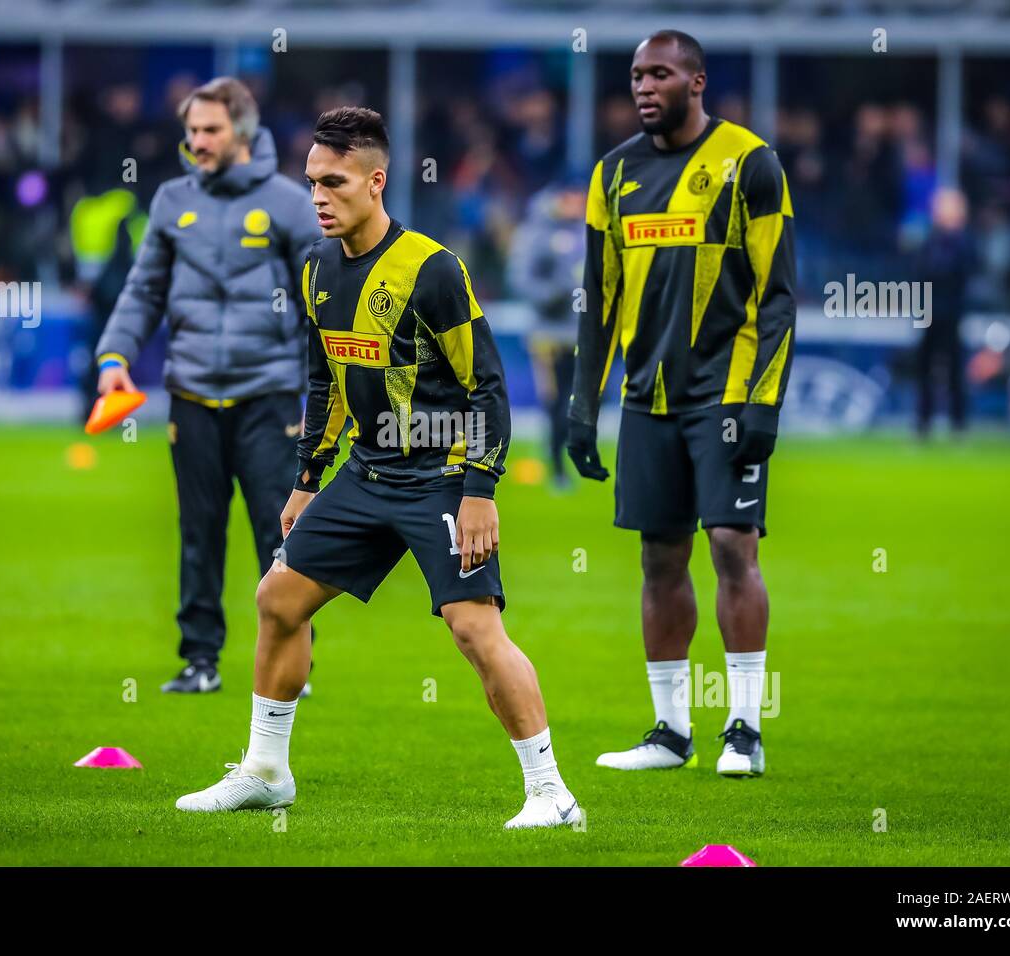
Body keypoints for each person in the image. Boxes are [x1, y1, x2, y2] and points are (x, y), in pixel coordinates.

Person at [174, 107, 583, 829]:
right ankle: (267, 771)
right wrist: (307, 481)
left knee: (474, 631)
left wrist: (481, 492)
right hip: (365, 477)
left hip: (442, 481)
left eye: (334, 183)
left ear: (376, 181)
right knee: (278, 600)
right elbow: (325, 383)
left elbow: (487, 385)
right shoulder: (315, 270)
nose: (319, 198)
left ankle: (551, 793)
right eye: (310, 183)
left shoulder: (433, 269)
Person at [566, 31, 796, 777]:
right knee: (659, 555)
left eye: (659, 73)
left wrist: (764, 402)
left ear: (697, 81)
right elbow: (598, 301)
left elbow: (779, 295)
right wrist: (581, 406)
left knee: (732, 544)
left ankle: (745, 730)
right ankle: (670, 733)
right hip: (646, 398)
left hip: (725, 392)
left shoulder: (750, 163)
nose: (643, 86)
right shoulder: (614, 174)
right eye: (636, 75)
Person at [95, 78, 320, 693]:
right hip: (191, 392)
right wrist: (115, 355)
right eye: (191, 130)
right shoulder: (170, 202)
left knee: (280, 532)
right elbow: (143, 290)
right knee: (198, 532)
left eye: (210, 129)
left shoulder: (290, 203)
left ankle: (294, 664)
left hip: (268, 395)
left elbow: (321, 298)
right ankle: (199, 661)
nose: (197, 140)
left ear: (242, 132)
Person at [507, 175, 586, 488]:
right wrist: (556, 291)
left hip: (581, 335)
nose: (576, 204)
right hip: (549, 336)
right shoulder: (535, 233)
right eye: (571, 197)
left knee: (575, 402)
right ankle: (557, 467)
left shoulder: (587, 231)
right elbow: (521, 280)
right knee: (555, 402)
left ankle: (570, 460)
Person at [915, 188, 976, 437]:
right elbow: (921, 272)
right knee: (925, 369)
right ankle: (923, 423)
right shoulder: (929, 240)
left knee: (954, 372)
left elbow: (960, 271)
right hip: (929, 313)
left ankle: (957, 425)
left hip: (952, 314)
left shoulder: (963, 243)